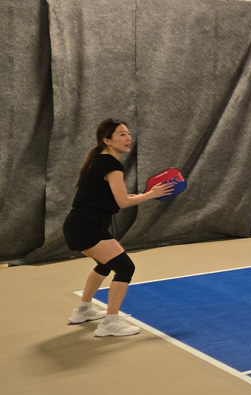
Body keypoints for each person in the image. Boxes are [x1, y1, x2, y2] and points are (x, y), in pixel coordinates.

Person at [63, 119, 174, 337]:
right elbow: (122, 202)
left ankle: (83, 310)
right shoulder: (111, 164)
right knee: (125, 268)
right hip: (87, 226)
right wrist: (151, 195)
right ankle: (110, 323)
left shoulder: (99, 160)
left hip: (79, 224)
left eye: (128, 133)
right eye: (121, 134)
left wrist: (135, 196)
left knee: (105, 265)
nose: (128, 138)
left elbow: (104, 197)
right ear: (107, 140)